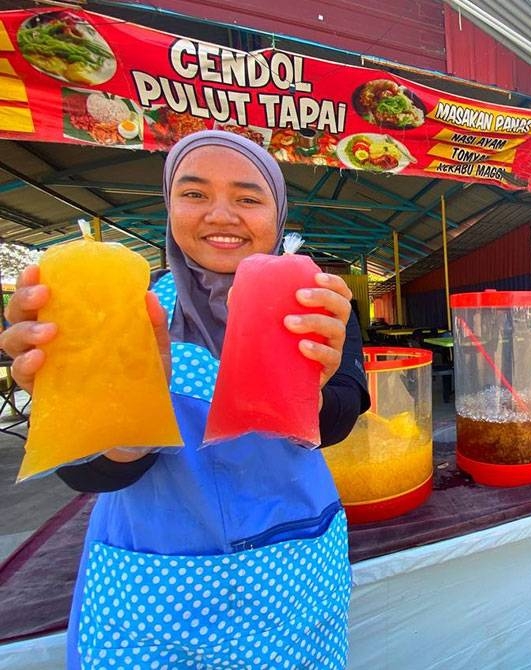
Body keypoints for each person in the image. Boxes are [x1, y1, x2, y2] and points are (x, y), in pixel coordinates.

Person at [0, 130, 369, 669]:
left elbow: (345, 409)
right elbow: (88, 474)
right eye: (194, 194)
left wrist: (302, 392)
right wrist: (109, 426)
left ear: (278, 212)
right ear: (169, 206)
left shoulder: (317, 303)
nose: (221, 214)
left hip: (292, 575)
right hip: (156, 590)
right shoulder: (127, 307)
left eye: (248, 197)